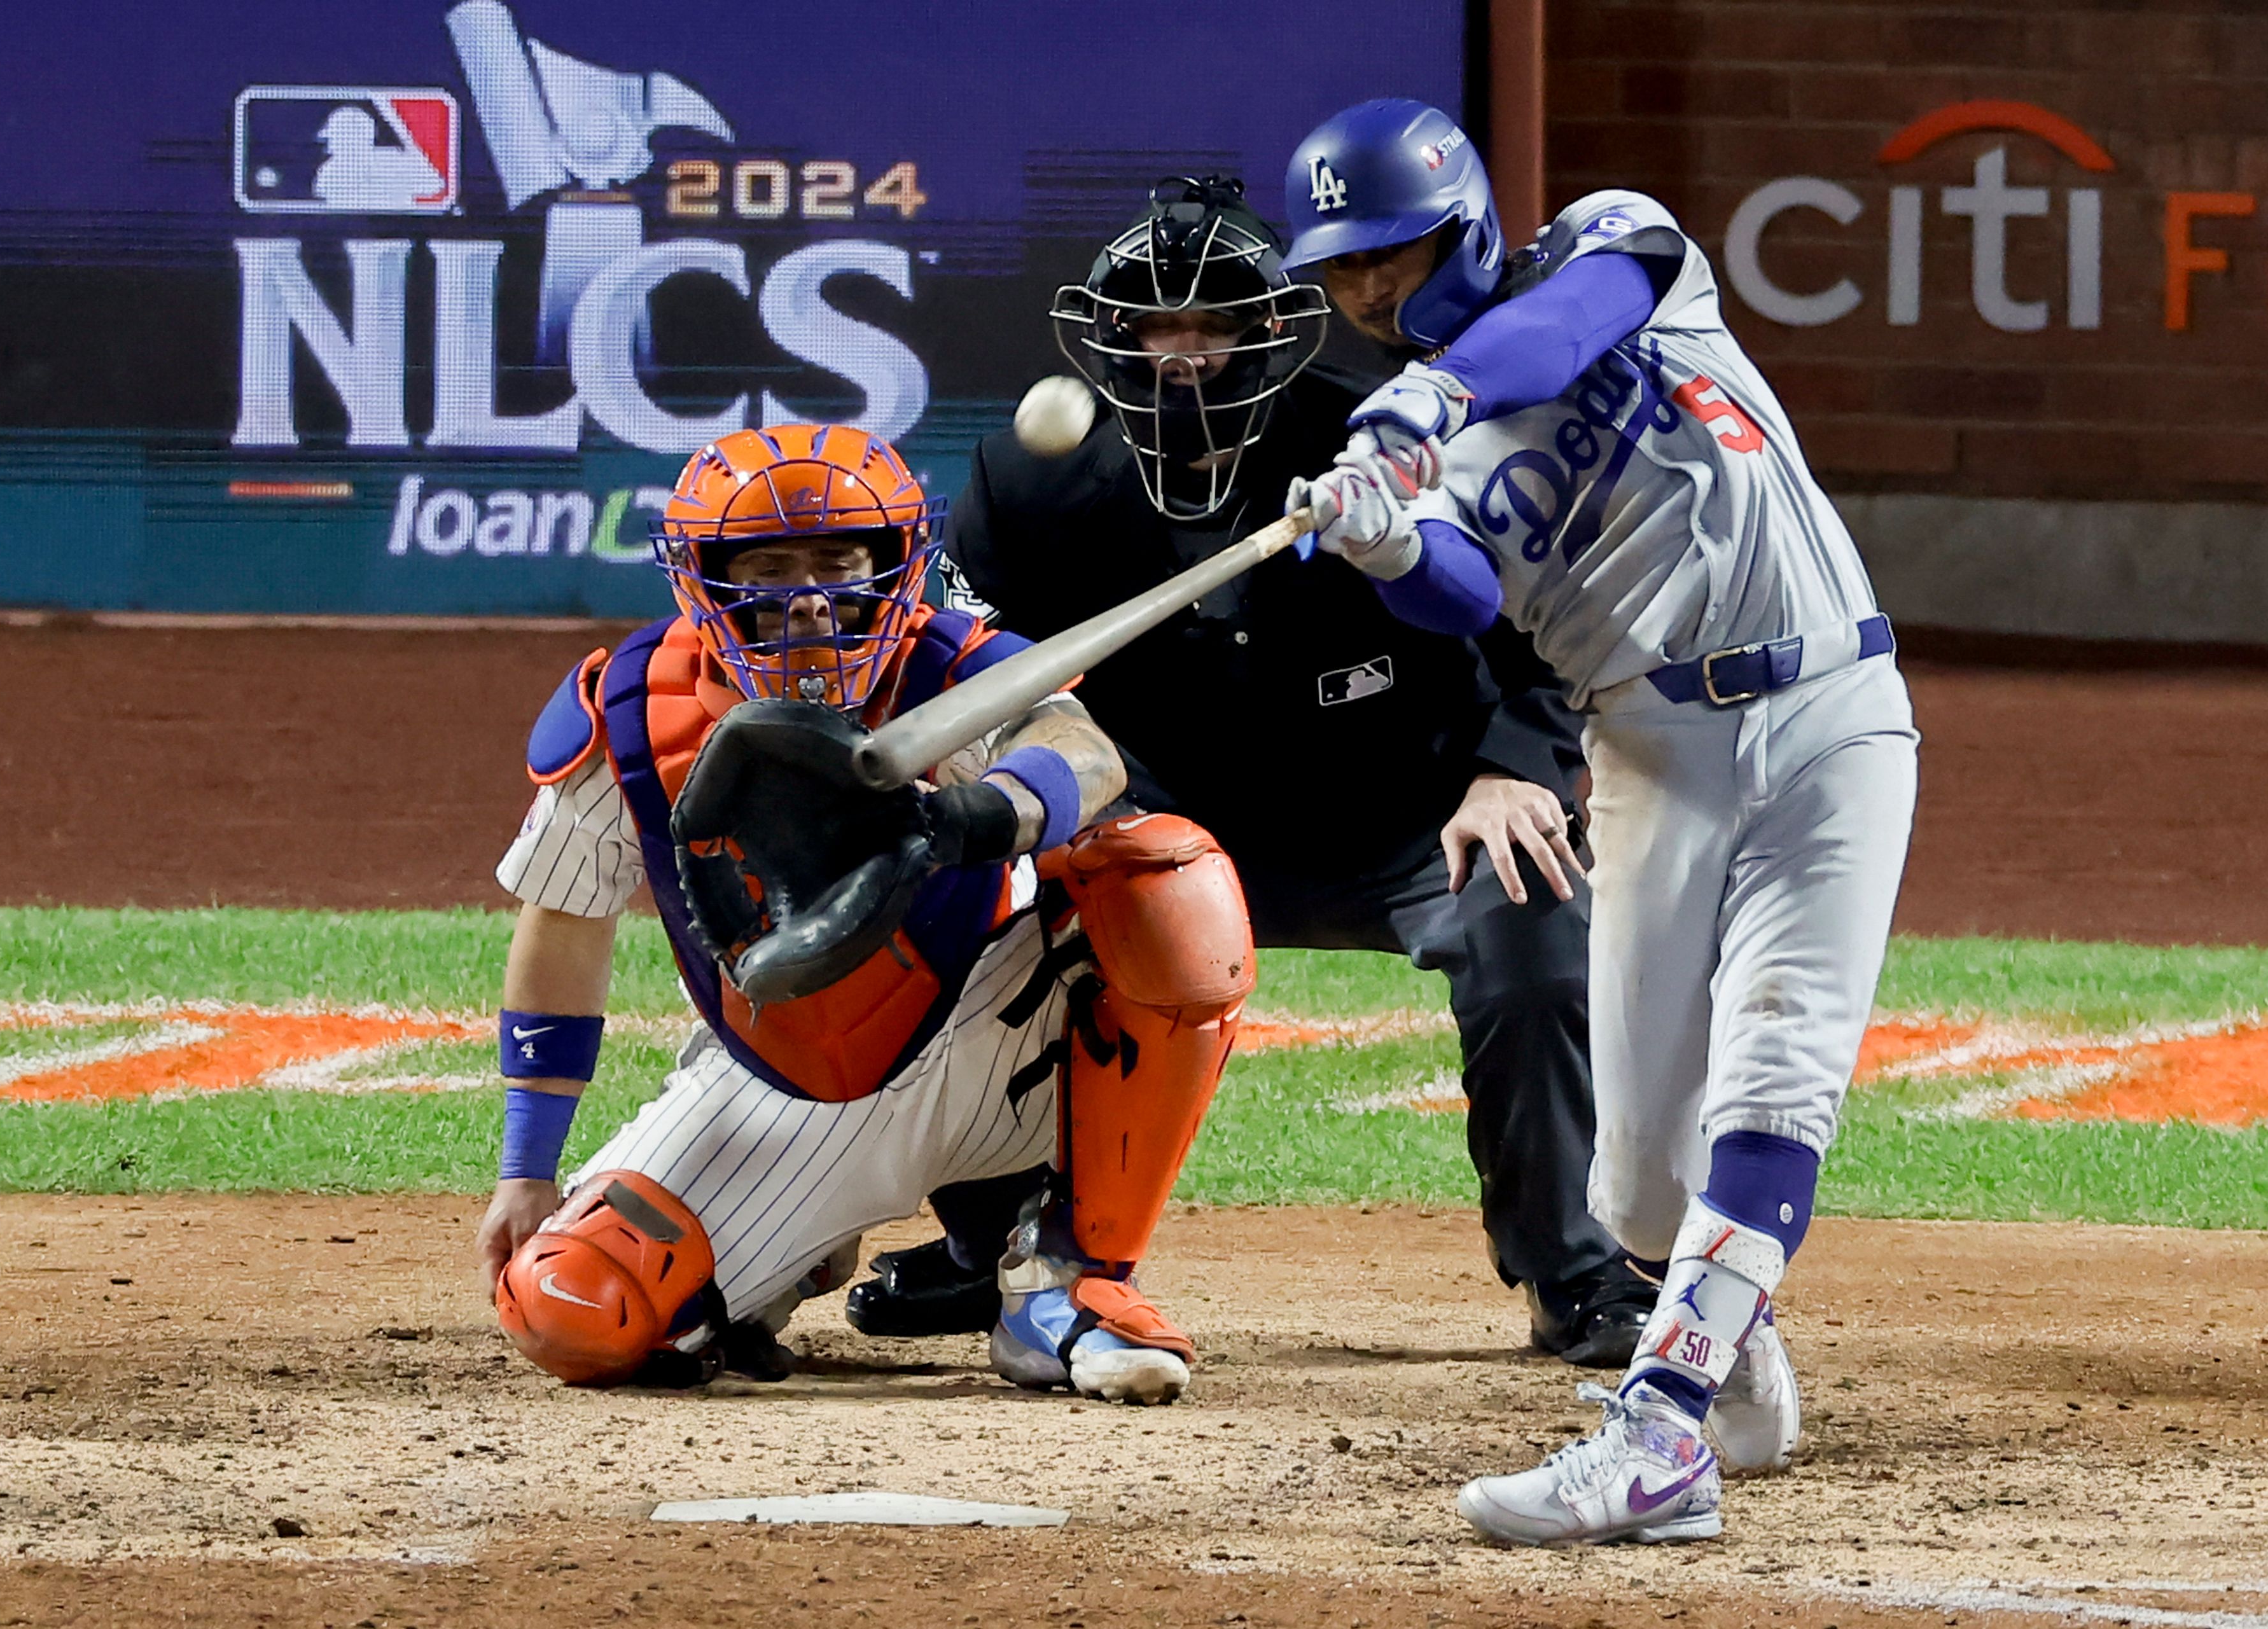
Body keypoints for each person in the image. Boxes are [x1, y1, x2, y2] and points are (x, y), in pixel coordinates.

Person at [843, 176, 1659, 1368]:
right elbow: (965, 672)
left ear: (1268, 329)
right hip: (1153, 829)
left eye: (1211, 324)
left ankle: (1572, 1274)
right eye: (1156, 328)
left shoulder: (1383, 438)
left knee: (1531, 922)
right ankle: (1004, 1250)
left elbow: (1545, 638)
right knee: (970, 921)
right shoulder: (1027, 482)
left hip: (1409, 817)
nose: (1182, 357)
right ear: (1110, 340)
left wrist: (1511, 769)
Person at [1277, 101, 1917, 1544]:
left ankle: (1664, 1436)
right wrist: (1386, 537)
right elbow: (1452, 592)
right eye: (1348, 272)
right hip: (1648, 754)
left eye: (1399, 251)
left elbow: (1560, 334)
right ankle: (1733, 1372)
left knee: (1772, 1084)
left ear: (1471, 220)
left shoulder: (1614, 245)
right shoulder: (1418, 461)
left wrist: (1424, 405)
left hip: (1830, 712)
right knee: (1634, 1189)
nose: (1372, 291)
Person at [472, 421, 1258, 1406]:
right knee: (574, 1313)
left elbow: (1084, 752)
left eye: (841, 561)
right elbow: (565, 929)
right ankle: (794, 1253)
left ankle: (1071, 1279)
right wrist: (524, 1168)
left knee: (1170, 874)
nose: (807, 596)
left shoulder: (950, 668)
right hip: (782, 1090)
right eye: (769, 565)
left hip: (991, 1043)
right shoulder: (631, 711)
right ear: (705, 579)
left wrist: (980, 810)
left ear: (896, 567)